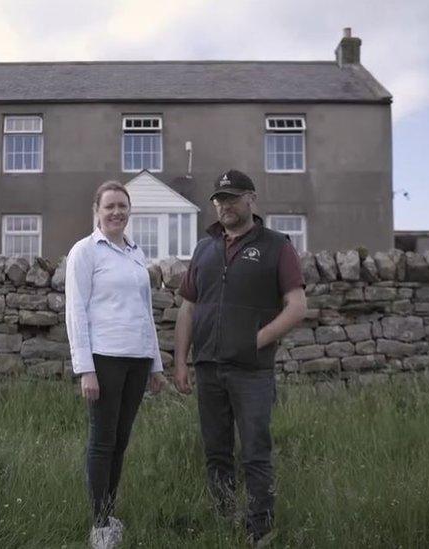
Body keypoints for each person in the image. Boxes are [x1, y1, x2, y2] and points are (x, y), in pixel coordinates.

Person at [173, 169, 307, 545]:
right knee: (216, 453)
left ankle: (260, 530)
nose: (224, 205)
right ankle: (223, 520)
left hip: (252, 372)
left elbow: (297, 307)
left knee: (255, 454)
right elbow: (188, 307)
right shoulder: (205, 248)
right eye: (218, 199)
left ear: (251, 198)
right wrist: (181, 361)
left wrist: (256, 340)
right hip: (209, 370)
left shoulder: (277, 245)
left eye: (231, 197)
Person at [65, 180, 167, 549]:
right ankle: (99, 526)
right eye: (109, 206)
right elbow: (75, 311)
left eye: (122, 206)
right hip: (104, 359)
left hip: (137, 360)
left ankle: (109, 513)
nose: (116, 212)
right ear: (97, 211)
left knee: (120, 441)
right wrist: (86, 369)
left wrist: (155, 365)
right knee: (102, 440)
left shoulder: (136, 253)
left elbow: (145, 313)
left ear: (129, 211)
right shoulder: (85, 251)